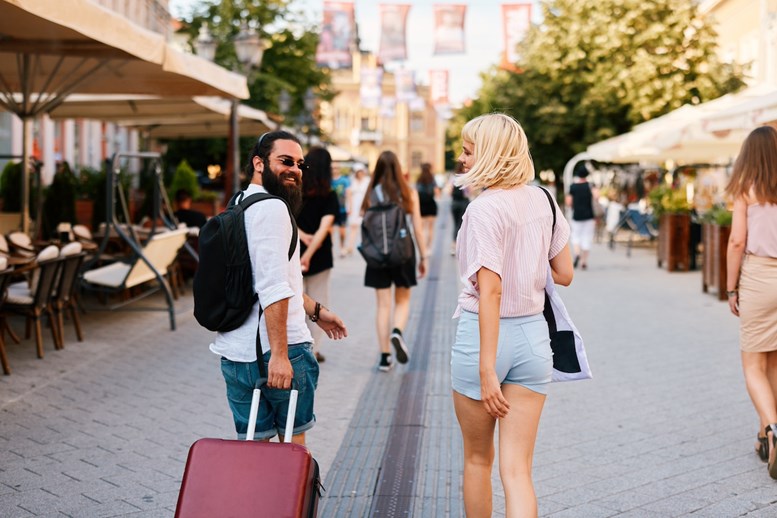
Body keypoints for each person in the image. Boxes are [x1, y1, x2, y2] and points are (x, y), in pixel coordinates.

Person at [451, 113, 573, 517]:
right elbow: (566, 274)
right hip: (534, 340)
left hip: (484, 340)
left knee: (477, 461)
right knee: (518, 470)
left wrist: (488, 368)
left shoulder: (484, 209)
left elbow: (491, 290)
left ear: (490, 154)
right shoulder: (544, 200)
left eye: (469, 151)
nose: (463, 159)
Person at [210, 131, 347, 446]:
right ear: (258, 163)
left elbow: (269, 280)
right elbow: (273, 289)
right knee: (292, 457)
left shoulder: (238, 204)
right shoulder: (274, 209)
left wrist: (316, 311)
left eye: (299, 164)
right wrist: (280, 356)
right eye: (285, 161)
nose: (295, 169)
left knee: (254, 454)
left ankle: (258, 498)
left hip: (235, 354)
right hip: (278, 354)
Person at [725, 125, 777, 479]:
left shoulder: (746, 188)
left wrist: (731, 288)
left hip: (760, 277)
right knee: (773, 360)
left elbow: (736, 242)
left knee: (753, 365)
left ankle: (773, 429)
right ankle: (764, 436)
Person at [361, 150, 427, 372]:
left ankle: (384, 358)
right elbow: (417, 228)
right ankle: (397, 331)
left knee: (382, 305)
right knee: (403, 300)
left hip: (376, 256)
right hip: (403, 254)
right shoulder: (408, 192)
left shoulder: (371, 193)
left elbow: (364, 220)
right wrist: (424, 256)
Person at [297, 147, 340, 363]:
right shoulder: (329, 195)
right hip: (319, 257)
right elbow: (324, 228)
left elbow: (285, 218)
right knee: (319, 301)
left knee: (295, 301)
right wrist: (311, 252)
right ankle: (312, 350)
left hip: (293, 252)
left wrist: (302, 238)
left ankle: (295, 346)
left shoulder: (294, 190)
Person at [565, 163, 596, 269]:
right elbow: (597, 196)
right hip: (589, 216)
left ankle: (577, 253)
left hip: (576, 216)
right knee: (587, 237)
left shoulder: (573, 187)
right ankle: (584, 261)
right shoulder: (590, 185)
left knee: (576, 236)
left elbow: (569, 202)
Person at [344, 165, 370, 255]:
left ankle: (366, 246)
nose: (360, 174)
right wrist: (349, 208)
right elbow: (349, 195)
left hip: (364, 206)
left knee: (365, 227)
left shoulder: (367, 181)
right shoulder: (352, 181)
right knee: (353, 227)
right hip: (354, 206)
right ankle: (349, 246)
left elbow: (369, 196)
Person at [416, 163, 440, 253]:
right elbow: (437, 192)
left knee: (422, 228)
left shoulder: (419, 179)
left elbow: (416, 193)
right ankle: (428, 247)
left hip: (421, 206)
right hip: (431, 205)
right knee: (430, 228)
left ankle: (423, 248)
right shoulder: (432, 179)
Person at [330, 166, 351, 257]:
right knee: (329, 231)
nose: (335, 170)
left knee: (342, 232)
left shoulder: (344, 181)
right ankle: (329, 249)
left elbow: (348, 194)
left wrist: (350, 207)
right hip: (330, 209)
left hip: (342, 209)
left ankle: (342, 247)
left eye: (336, 168)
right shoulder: (328, 180)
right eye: (333, 168)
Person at [449, 164, 470, 256]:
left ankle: (453, 246)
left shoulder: (453, 177)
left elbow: (449, 191)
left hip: (454, 203)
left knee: (455, 224)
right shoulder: (466, 177)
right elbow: (469, 192)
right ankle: (462, 247)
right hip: (463, 203)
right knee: (462, 225)